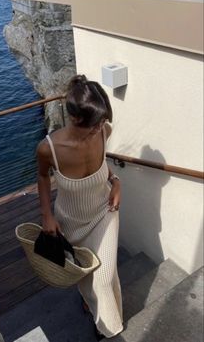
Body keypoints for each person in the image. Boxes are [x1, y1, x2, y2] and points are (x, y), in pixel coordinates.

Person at [37, 74, 123, 339]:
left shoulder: (104, 131)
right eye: (95, 125)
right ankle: (95, 307)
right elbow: (42, 177)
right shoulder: (48, 148)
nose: (102, 129)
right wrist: (47, 216)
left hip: (104, 213)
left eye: (103, 122)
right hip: (70, 222)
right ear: (75, 119)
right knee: (84, 277)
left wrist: (116, 181)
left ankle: (108, 330)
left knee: (104, 276)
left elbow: (101, 166)